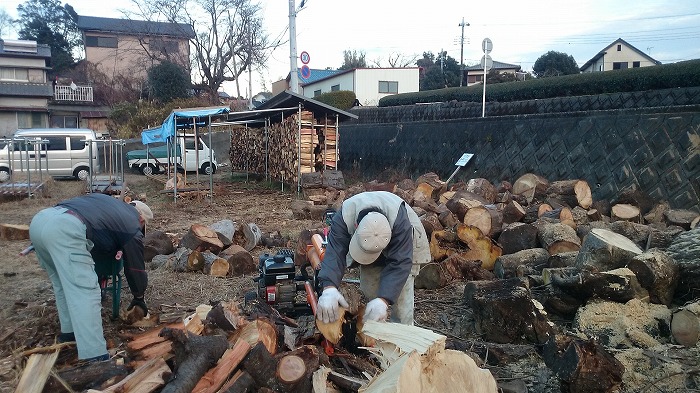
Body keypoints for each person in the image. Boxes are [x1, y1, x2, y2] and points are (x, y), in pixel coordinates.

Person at [29, 193, 153, 362]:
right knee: (85, 291)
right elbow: (135, 267)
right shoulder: (131, 223)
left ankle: (69, 333)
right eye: (143, 226)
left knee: (62, 284)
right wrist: (139, 297)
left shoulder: (110, 205)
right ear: (141, 219)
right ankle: (94, 355)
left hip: (41, 221)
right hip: (64, 227)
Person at [316, 191, 430, 325]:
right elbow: (334, 252)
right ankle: (373, 334)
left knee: (401, 302)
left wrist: (384, 300)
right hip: (372, 235)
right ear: (356, 227)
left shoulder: (401, 224)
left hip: (406, 247)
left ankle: (401, 338)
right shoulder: (344, 216)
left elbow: (400, 263)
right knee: (370, 288)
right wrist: (329, 287)